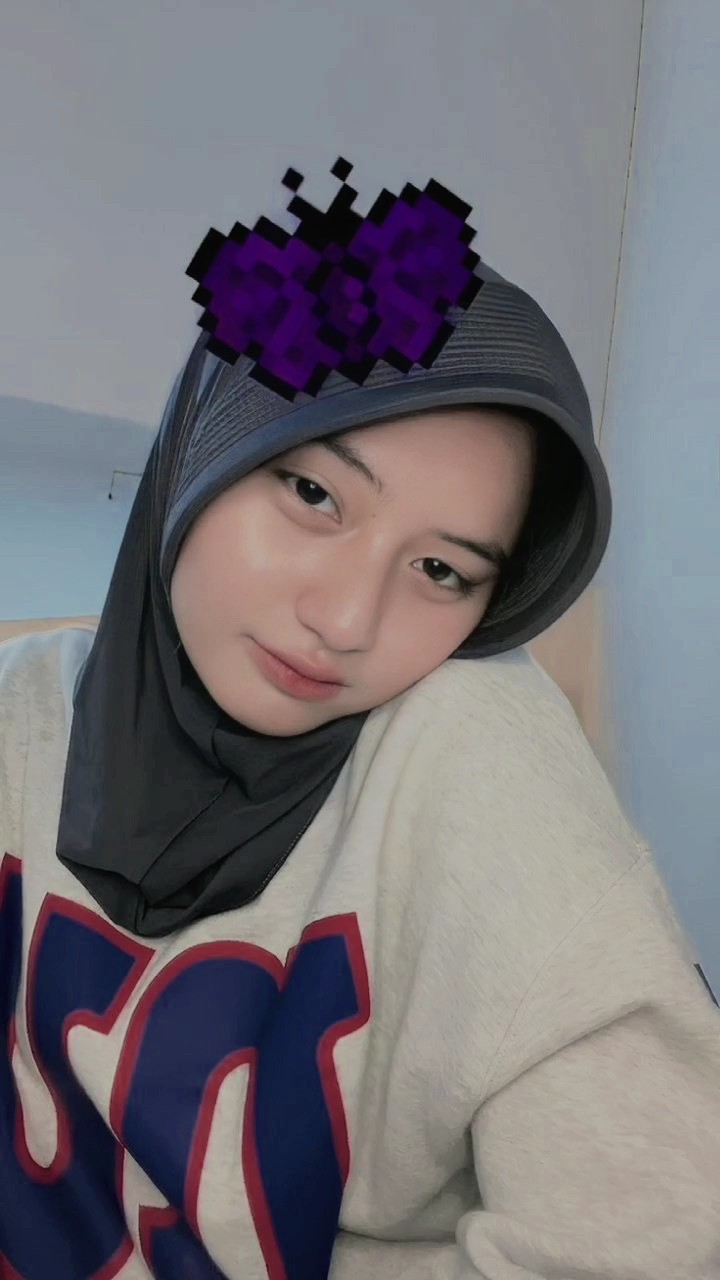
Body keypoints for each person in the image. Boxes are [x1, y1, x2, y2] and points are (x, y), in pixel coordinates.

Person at [1, 166, 718, 1280]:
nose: (344, 622)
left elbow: (659, 1231)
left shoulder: (467, 744)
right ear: (206, 441)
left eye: (440, 569)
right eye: (313, 494)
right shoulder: (19, 711)